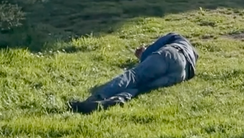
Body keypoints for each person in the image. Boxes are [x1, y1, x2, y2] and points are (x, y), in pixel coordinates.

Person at [68, 33, 197, 114]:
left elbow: (150, 51)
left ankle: (96, 98)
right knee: (142, 87)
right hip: (181, 73)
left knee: (134, 76)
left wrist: (142, 54)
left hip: (171, 54)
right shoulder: (193, 58)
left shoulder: (175, 37)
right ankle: (117, 99)